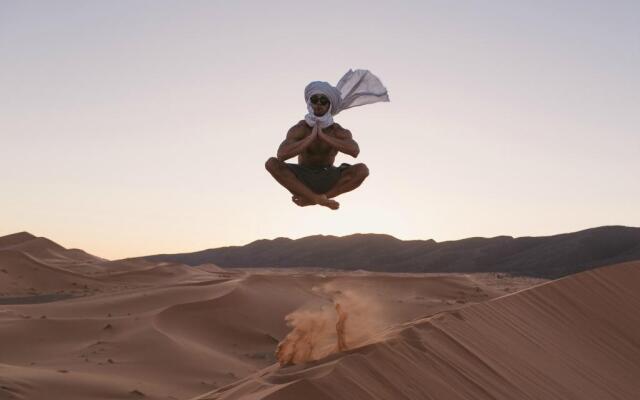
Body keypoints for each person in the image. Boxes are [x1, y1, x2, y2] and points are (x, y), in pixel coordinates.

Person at [265, 69, 390, 210]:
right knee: (271, 164)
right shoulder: (300, 128)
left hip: (329, 175)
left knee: (362, 170)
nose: (318, 104)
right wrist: (311, 137)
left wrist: (324, 136)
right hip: (303, 177)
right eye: (315, 99)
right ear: (309, 102)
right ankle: (317, 198)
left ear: (329, 105)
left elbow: (355, 151)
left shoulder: (337, 131)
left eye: (323, 101)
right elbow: (281, 155)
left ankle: (317, 199)